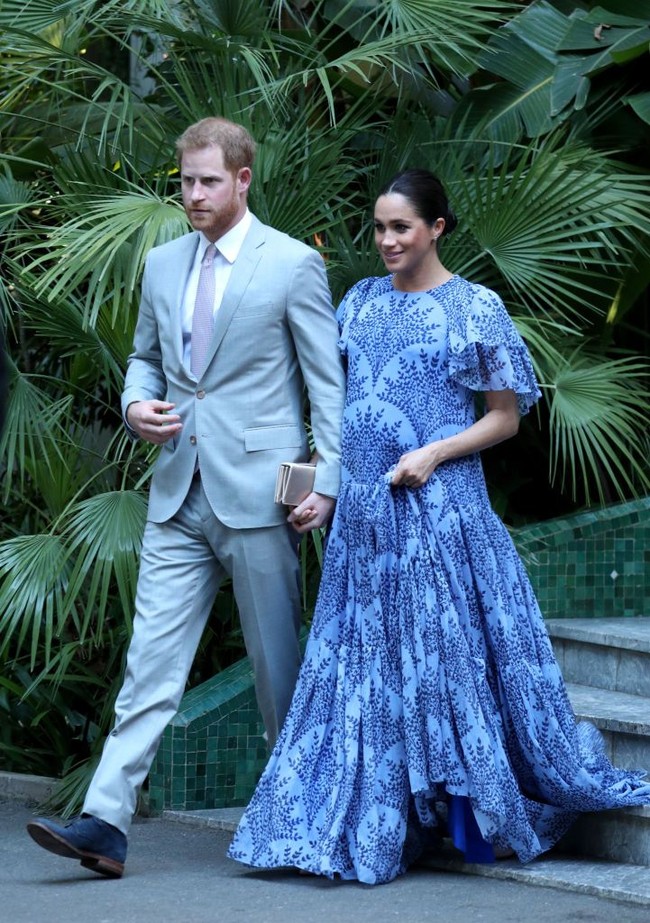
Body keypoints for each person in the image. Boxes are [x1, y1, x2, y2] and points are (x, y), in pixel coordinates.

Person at [228, 169, 650, 885]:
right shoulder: (357, 303)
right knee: (365, 674)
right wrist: (321, 492)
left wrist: (434, 450)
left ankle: (473, 823)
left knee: (444, 673)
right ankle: (376, 816)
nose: (387, 240)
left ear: (436, 229)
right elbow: (340, 415)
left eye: (401, 227)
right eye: (380, 226)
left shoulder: (473, 308)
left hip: (440, 517)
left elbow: (506, 415)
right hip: (364, 527)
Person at [26, 117, 346, 878]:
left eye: (208, 181)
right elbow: (143, 360)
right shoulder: (164, 263)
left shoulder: (293, 264)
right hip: (176, 490)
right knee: (149, 665)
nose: (193, 194)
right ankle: (106, 820)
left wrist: (327, 479)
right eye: (185, 180)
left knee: (276, 668)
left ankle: (297, 812)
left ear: (243, 178)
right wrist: (138, 406)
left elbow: (326, 386)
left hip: (263, 497)